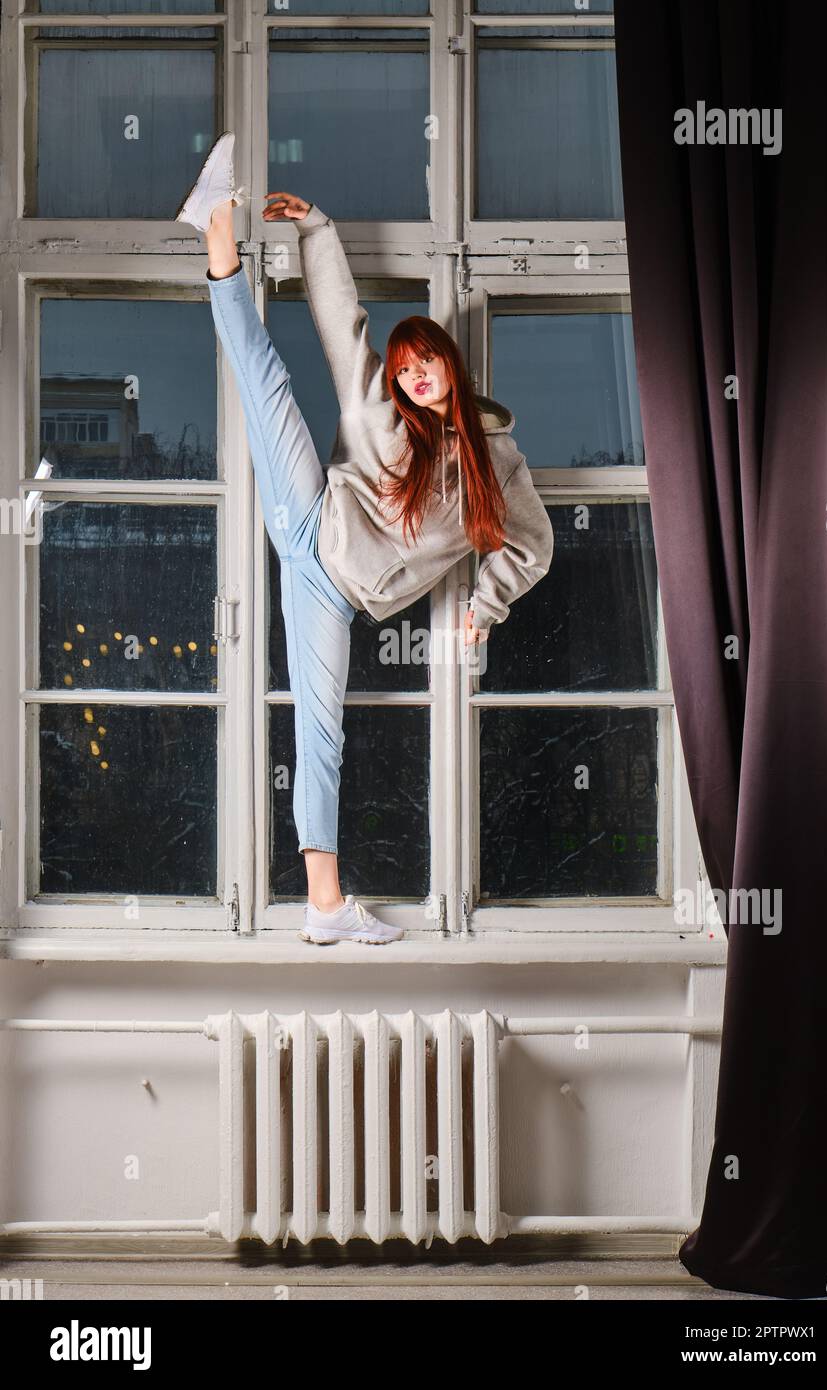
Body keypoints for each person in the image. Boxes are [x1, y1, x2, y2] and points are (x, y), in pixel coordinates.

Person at [175, 133, 554, 945]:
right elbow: (344, 329)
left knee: (322, 731)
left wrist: (484, 608)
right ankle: (214, 228)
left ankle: (323, 908)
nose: (412, 375)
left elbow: (531, 548)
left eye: (426, 364)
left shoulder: (498, 463)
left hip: (333, 593)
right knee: (268, 379)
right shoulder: (385, 417)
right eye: (406, 364)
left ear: (451, 367)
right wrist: (318, 232)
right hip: (311, 516)